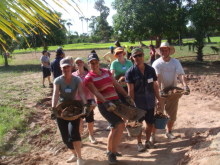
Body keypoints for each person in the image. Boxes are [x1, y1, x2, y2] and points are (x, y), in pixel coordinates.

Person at [84, 53, 133, 164]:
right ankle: (111, 154)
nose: (94, 64)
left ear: (98, 62)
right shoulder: (89, 78)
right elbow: (96, 92)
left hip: (116, 102)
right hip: (104, 105)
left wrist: (126, 96)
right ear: (88, 64)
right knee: (119, 125)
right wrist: (106, 102)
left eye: (95, 62)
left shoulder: (106, 72)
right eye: (91, 63)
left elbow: (116, 84)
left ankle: (111, 150)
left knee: (114, 128)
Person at [52, 57, 88, 165]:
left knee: (74, 133)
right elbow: (56, 94)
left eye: (68, 66)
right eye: (64, 67)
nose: (66, 69)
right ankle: (74, 154)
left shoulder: (77, 80)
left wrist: (85, 104)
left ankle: (80, 158)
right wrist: (53, 108)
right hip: (61, 108)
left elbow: (81, 93)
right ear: (60, 68)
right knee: (65, 137)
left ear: (71, 67)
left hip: (74, 108)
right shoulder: (58, 80)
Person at [125, 48, 161, 152]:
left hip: (150, 102)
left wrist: (159, 99)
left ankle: (147, 141)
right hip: (138, 104)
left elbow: (155, 85)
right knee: (138, 125)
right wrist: (131, 106)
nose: (138, 58)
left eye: (139, 55)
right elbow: (130, 90)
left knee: (150, 123)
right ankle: (139, 143)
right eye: (135, 56)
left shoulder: (150, 70)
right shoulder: (130, 72)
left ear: (143, 55)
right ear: (132, 58)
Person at [152, 42, 190, 140]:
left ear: (169, 51)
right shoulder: (157, 63)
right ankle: (153, 135)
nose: (164, 52)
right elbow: (158, 78)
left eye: (166, 50)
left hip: (173, 90)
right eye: (162, 50)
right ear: (160, 52)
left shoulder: (175, 62)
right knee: (157, 113)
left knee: (172, 114)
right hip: (161, 91)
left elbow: (180, 74)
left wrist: (185, 86)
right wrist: (159, 92)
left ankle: (169, 132)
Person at [72, 57, 97, 144]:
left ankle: (91, 135)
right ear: (75, 65)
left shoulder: (89, 74)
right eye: (77, 62)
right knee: (79, 119)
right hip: (77, 100)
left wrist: (94, 100)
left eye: (80, 62)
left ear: (83, 63)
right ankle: (80, 137)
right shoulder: (73, 75)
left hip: (88, 98)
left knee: (90, 119)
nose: (79, 64)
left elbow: (93, 88)